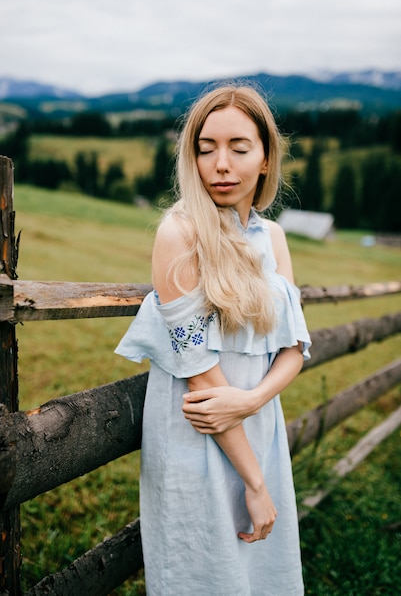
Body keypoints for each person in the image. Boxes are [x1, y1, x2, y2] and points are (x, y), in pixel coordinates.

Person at [115, 84, 311, 595]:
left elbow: (294, 347)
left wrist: (250, 400)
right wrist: (254, 481)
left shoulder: (274, 239)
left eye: (239, 148)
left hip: (258, 424)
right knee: (205, 572)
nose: (220, 164)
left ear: (265, 159)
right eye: (206, 148)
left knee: (261, 573)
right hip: (197, 430)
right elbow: (200, 370)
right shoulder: (179, 232)